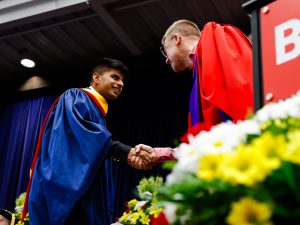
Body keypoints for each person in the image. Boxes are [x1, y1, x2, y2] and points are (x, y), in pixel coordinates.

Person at [24, 58, 155, 225]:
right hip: (68, 195)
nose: (120, 83)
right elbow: (86, 138)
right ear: (97, 77)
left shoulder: (97, 110)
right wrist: (126, 152)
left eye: (122, 80)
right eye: (115, 77)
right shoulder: (76, 97)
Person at [136, 19, 253, 160]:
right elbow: (206, 141)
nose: (166, 60)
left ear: (176, 39)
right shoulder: (199, 76)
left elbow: (245, 89)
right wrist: (162, 154)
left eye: (166, 49)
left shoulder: (220, 36)